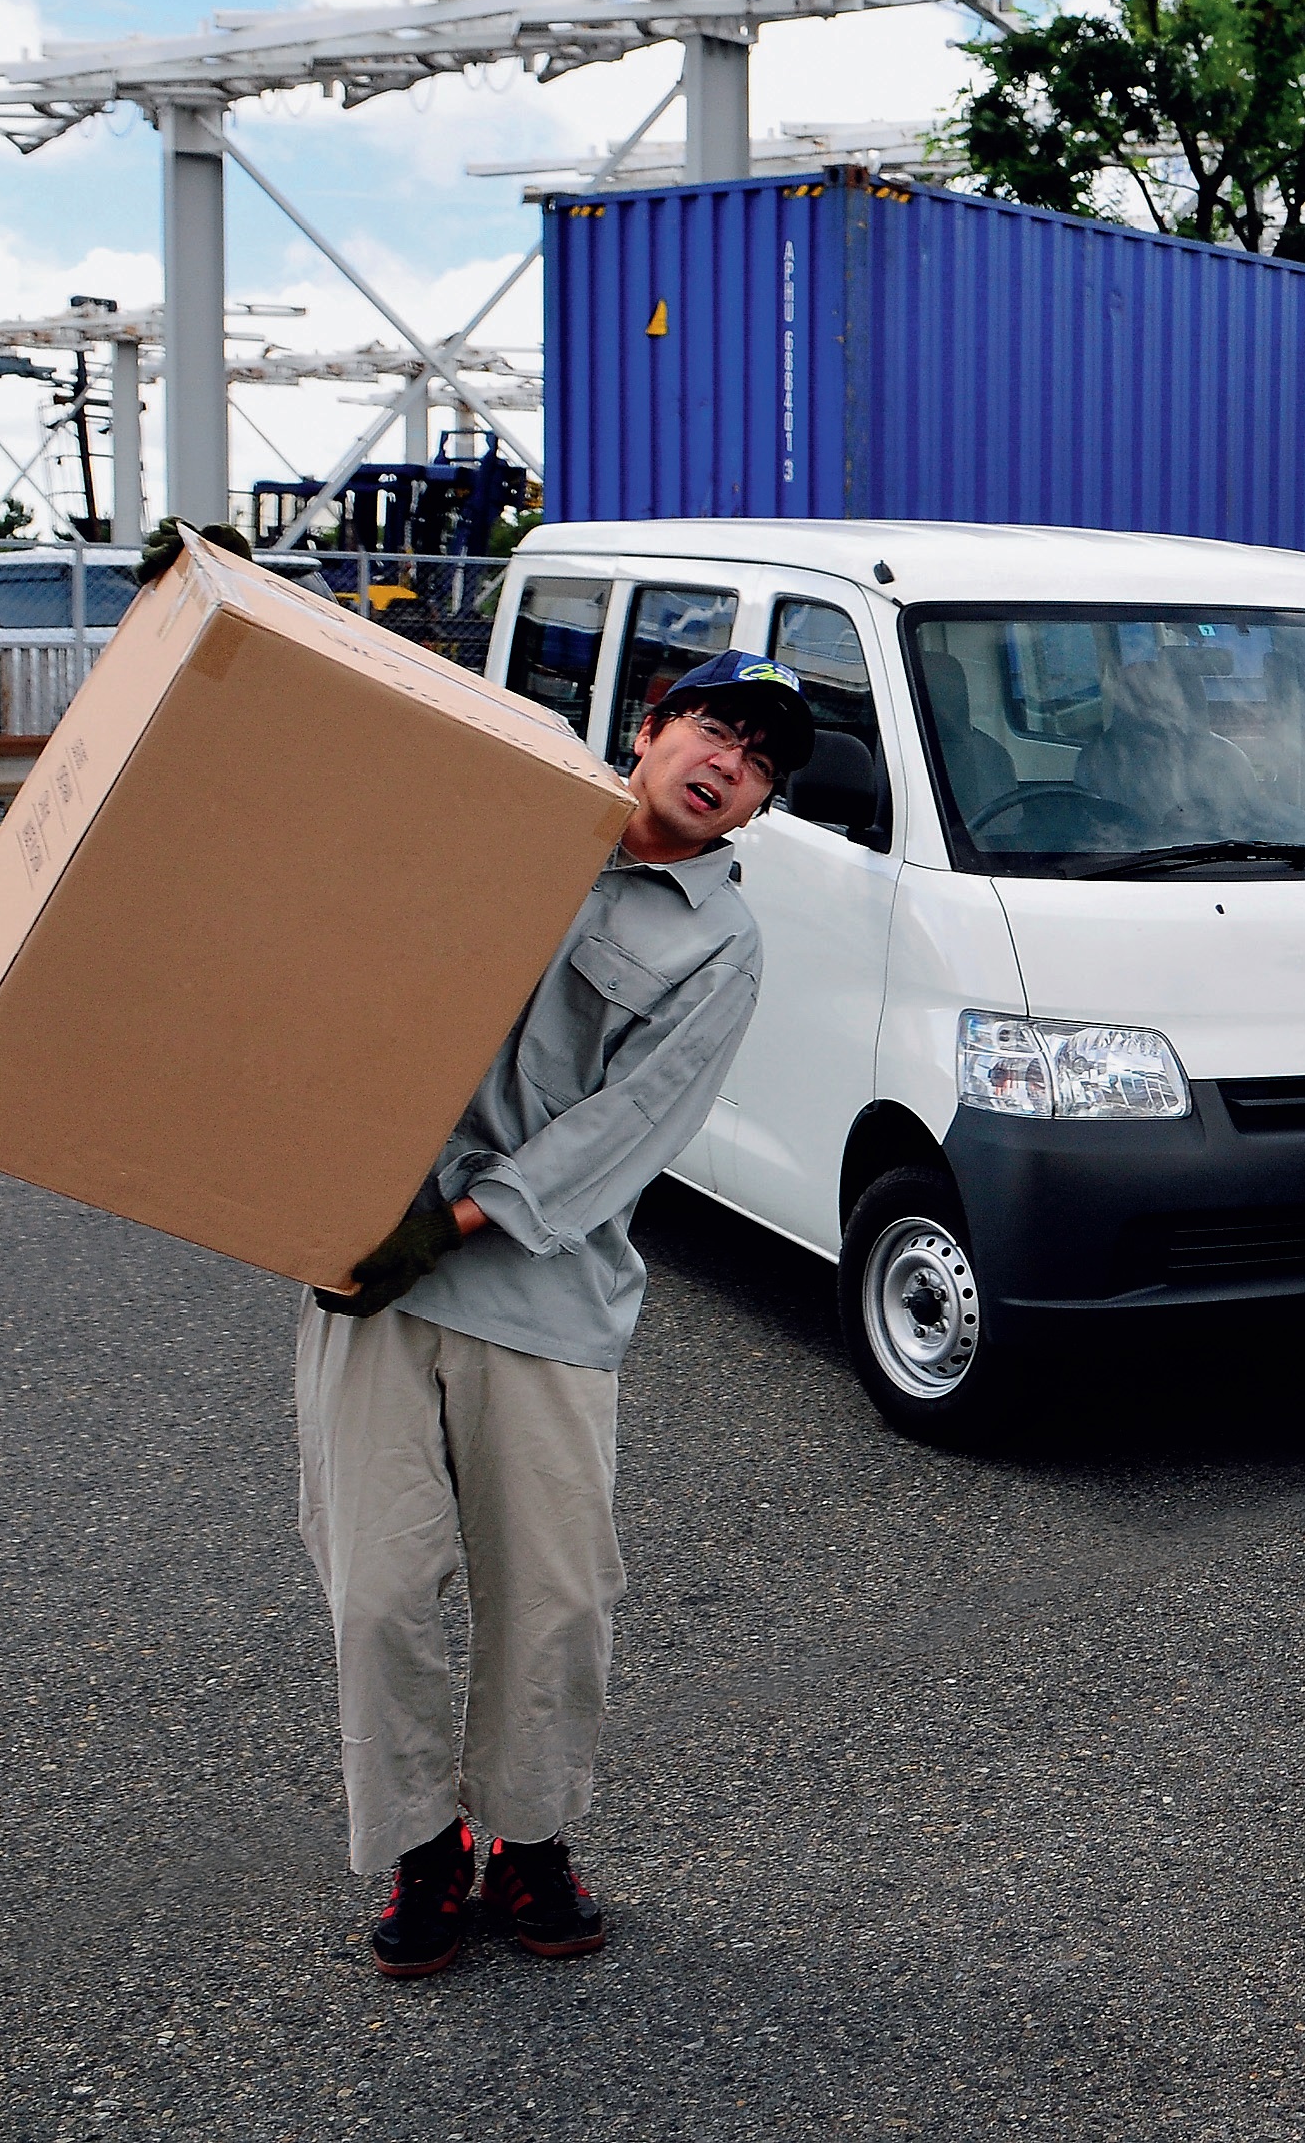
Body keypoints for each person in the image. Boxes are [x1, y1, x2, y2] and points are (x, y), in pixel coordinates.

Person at [300, 649, 814, 1978]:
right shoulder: (510, 826)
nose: (729, 765)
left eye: (759, 764)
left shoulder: (720, 941)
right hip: (369, 1272)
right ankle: (422, 1852)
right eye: (716, 728)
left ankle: (529, 1839)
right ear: (649, 731)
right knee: (379, 1590)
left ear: (756, 808)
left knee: (553, 1596)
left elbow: (626, 1131)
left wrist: (450, 1226)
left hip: (538, 1293)